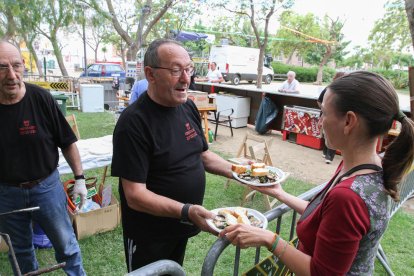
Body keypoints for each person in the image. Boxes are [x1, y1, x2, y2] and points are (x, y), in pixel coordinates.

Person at [220, 71, 414, 275]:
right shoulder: (368, 167)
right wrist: (280, 193)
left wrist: (270, 238)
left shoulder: (348, 196)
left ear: (349, 121)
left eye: (323, 113)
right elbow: (327, 217)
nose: (319, 122)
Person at [111, 38, 233, 272]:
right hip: (149, 234)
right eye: (176, 70)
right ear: (151, 74)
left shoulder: (187, 107)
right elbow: (135, 195)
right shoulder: (133, 123)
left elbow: (203, 155)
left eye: (188, 69)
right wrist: (186, 210)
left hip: (181, 227)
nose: (187, 78)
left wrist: (240, 171)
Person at [0, 40, 87, 275]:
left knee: (67, 247)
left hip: (46, 188)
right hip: (6, 194)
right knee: (20, 253)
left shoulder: (41, 98)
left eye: (16, 66)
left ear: (24, 66)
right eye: (2, 67)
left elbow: (67, 142)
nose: (11, 74)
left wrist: (79, 179)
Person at [317, 71, 346, 164]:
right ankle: (326, 153)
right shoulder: (329, 88)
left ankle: (329, 156)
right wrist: (325, 109)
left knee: (332, 133)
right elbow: (319, 100)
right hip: (328, 115)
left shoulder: (345, 90)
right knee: (327, 133)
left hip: (336, 116)